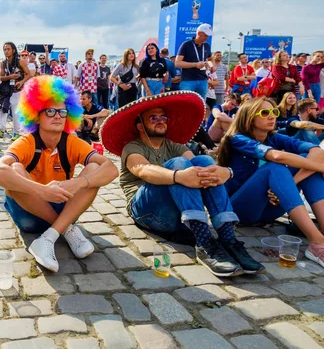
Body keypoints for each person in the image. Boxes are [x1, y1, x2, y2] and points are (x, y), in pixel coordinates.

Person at [103, 91, 264, 276]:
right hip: (146, 212)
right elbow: (142, 170)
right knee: (179, 164)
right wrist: (178, 175)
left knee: (204, 162)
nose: (160, 120)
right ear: (140, 125)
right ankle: (204, 242)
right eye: (153, 118)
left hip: (177, 212)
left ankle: (228, 238)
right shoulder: (132, 147)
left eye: (163, 117)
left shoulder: (175, 146)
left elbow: (200, 169)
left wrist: (223, 171)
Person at [0, 75, 118, 272]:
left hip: (64, 209)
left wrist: (78, 183)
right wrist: (41, 191)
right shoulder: (27, 142)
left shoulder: (71, 142)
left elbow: (111, 168)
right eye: (50, 111)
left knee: (94, 169)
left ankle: (49, 237)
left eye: (62, 111)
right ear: (36, 114)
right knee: (14, 169)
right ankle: (66, 230)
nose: (57, 116)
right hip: (29, 215)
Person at [218, 97, 324, 268]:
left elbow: (318, 152)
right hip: (240, 210)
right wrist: (321, 168)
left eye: (274, 112)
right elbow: (277, 156)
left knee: (307, 164)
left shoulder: (275, 138)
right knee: (278, 166)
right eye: (265, 113)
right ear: (249, 117)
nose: (272, 116)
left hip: (269, 208)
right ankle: (317, 242)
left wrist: (292, 181)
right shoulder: (238, 139)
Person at [0, 42, 31, 140]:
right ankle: (1, 129)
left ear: (13, 50)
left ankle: (16, 134)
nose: (6, 51)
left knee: (15, 113)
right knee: (3, 110)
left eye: (8, 49)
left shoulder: (20, 61)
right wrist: (10, 77)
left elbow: (29, 74)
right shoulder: (3, 63)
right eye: (5, 49)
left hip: (17, 90)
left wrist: (21, 82)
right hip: (7, 90)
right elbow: (1, 78)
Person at [175, 23, 213, 99]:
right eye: (205, 35)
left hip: (203, 80)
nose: (207, 37)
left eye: (208, 35)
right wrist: (195, 65)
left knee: (201, 104)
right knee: (186, 103)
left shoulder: (206, 46)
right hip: (188, 80)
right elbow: (177, 63)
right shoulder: (186, 45)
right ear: (199, 33)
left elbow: (209, 59)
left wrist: (211, 66)